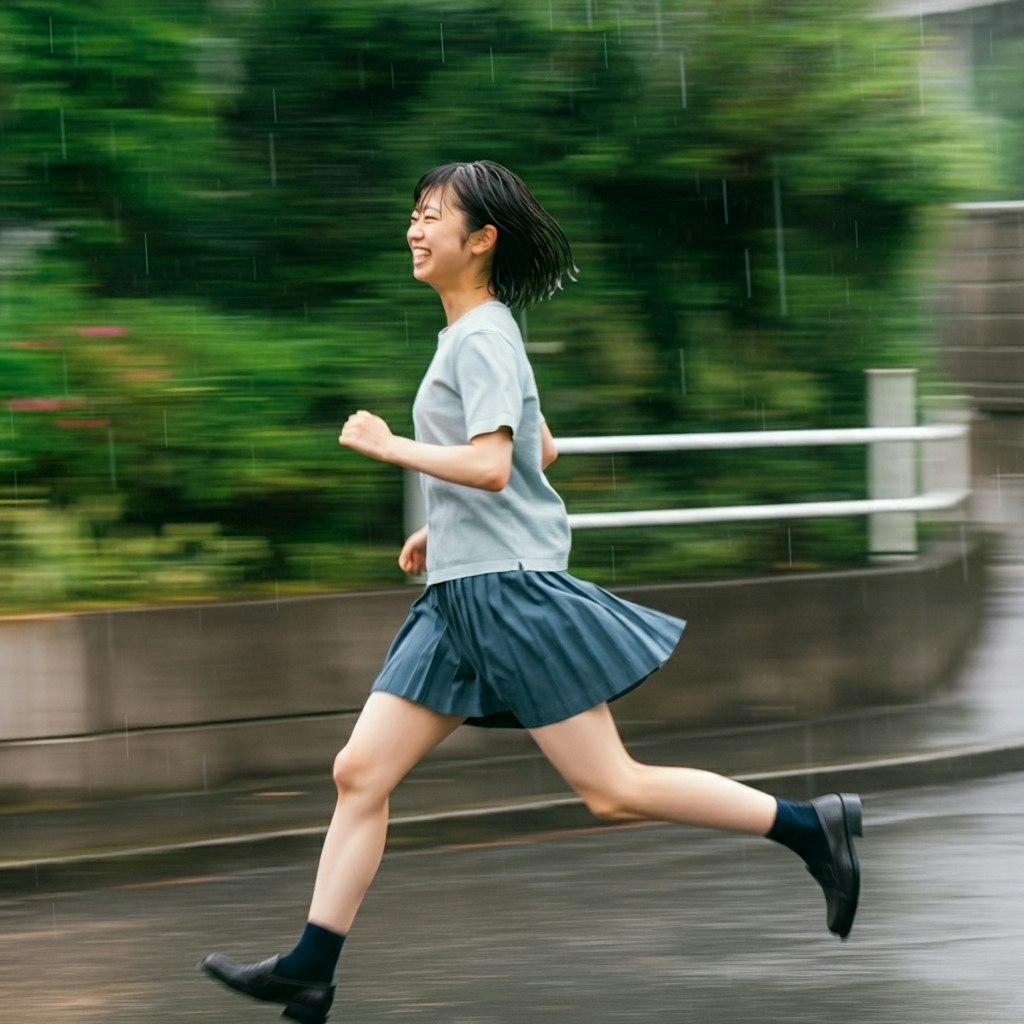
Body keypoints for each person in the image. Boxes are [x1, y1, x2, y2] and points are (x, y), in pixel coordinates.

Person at [199, 160, 862, 1023]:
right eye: (413, 212)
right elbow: (536, 451)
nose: (414, 228)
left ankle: (811, 827)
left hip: (508, 600)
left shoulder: (479, 337)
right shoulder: (481, 332)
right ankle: (310, 968)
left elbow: (487, 461)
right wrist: (447, 526)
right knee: (360, 771)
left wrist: (391, 445)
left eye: (432, 216)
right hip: (460, 595)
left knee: (611, 788)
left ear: (481, 240)